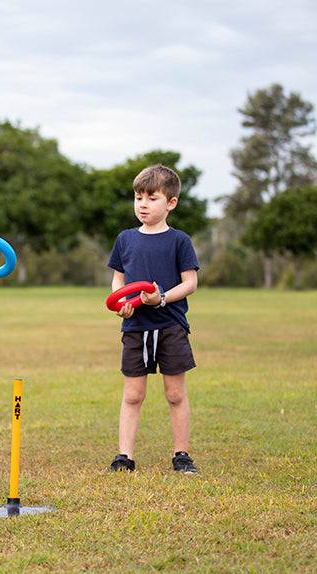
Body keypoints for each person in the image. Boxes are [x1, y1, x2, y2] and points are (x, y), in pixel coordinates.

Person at [107, 164, 199, 474]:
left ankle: (181, 454)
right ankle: (124, 456)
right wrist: (122, 301)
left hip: (170, 325)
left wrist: (160, 298)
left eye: (152, 198)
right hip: (135, 326)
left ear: (170, 203)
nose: (142, 204)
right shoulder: (125, 239)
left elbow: (190, 283)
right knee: (133, 395)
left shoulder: (179, 241)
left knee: (175, 394)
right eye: (138, 197)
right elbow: (118, 281)